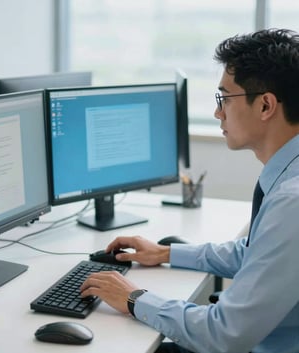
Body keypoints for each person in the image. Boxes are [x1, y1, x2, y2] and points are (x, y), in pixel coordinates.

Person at [80, 28, 299, 353]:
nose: (217, 112)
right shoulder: (287, 179)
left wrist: (133, 298)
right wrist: (166, 253)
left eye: (224, 98)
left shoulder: (291, 202)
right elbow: (256, 252)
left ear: (266, 105)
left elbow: (225, 333)